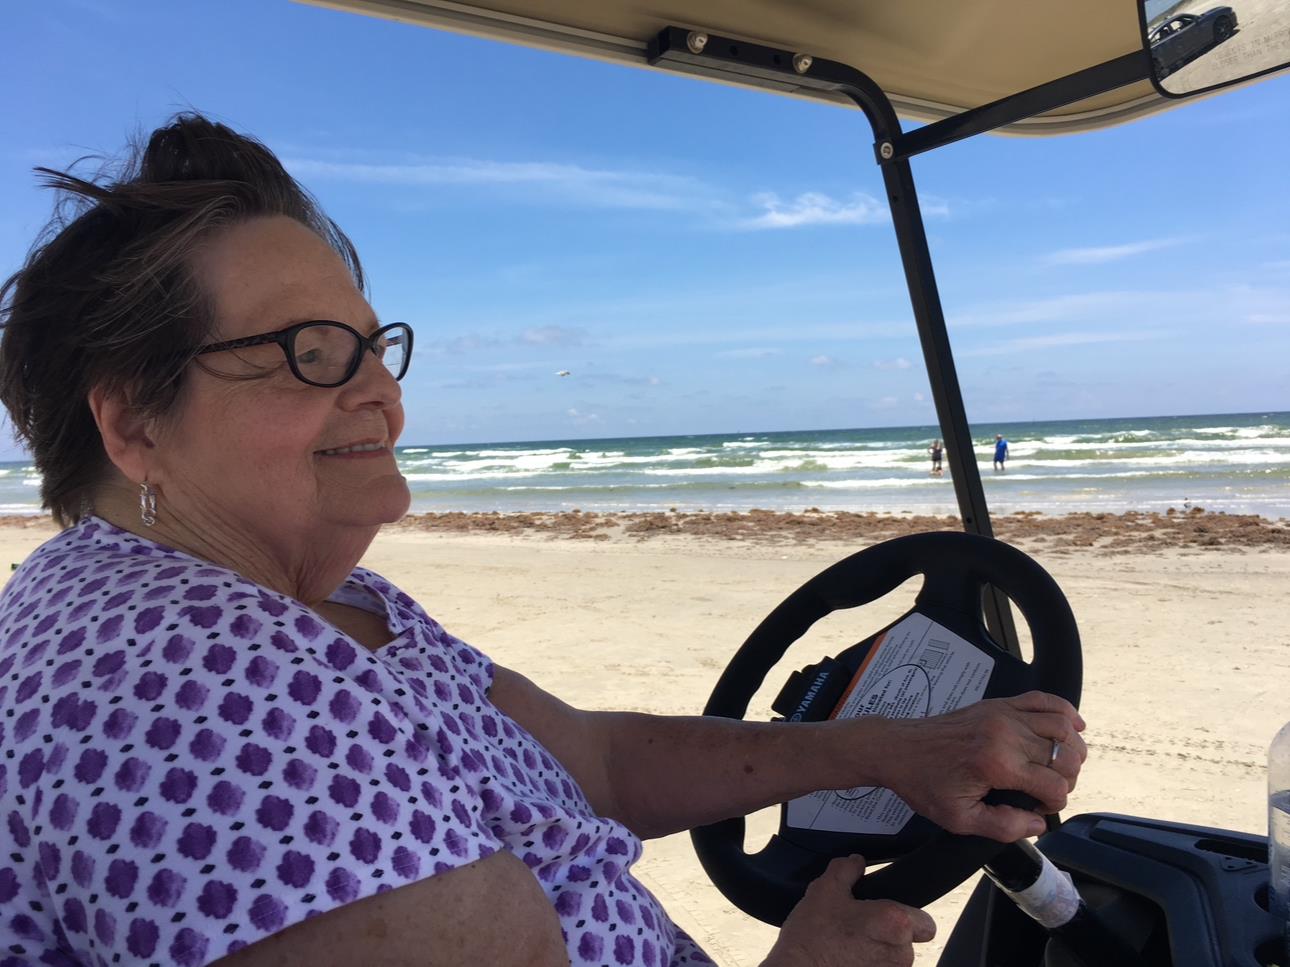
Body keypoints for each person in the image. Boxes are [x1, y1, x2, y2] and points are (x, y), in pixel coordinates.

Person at [0, 115, 1086, 967]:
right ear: (135, 421)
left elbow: (597, 761)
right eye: (313, 351)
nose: (380, 393)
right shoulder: (197, 682)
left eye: (377, 347)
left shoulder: (328, 607)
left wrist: (879, 750)